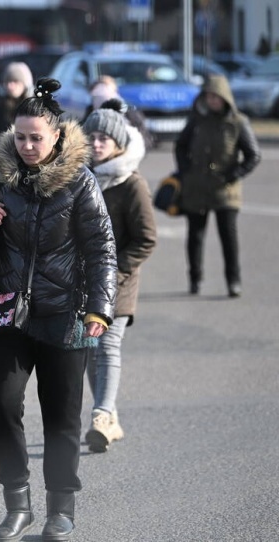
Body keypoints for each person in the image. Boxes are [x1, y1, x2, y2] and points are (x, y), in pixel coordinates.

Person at [0, 77, 117, 542]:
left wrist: (99, 309)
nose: (27, 146)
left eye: (36, 138)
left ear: (56, 137)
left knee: (61, 417)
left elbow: (102, 249)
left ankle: (60, 509)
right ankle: (17, 504)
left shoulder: (80, 182)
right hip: (7, 310)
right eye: (20, 137)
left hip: (65, 312)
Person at [81, 101, 157, 454]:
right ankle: (109, 415)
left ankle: (99, 416)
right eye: (92, 137)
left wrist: (115, 269)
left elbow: (146, 238)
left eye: (104, 138)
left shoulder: (132, 183)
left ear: (118, 143)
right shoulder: (81, 178)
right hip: (82, 281)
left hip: (120, 281)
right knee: (89, 351)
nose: (97, 144)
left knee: (108, 346)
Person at [175, 74, 261, 298]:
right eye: (208, 96)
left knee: (228, 237)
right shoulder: (196, 119)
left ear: (225, 98)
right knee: (195, 235)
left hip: (225, 190)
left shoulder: (238, 122)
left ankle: (233, 281)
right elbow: (180, 146)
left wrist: (235, 174)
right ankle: (195, 278)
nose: (212, 101)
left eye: (216, 97)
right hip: (196, 187)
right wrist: (186, 171)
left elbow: (253, 155)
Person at [0, 61, 33, 162]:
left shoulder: (35, 108)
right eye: (8, 82)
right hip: (6, 166)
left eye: (15, 81)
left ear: (25, 84)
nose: (10, 86)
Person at [83, 76, 154, 151]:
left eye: (105, 95)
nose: (101, 101)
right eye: (97, 97)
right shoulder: (90, 112)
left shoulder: (128, 111)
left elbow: (143, 135)